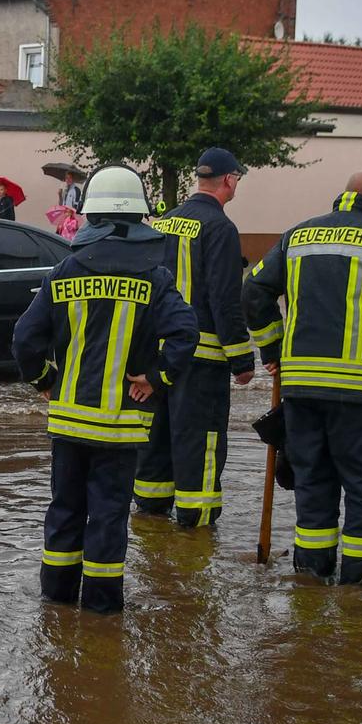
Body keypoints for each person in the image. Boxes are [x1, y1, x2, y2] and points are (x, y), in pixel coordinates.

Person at [241, 171, 362, 594]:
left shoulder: (296, 237)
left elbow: (254, 290)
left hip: (301, 395)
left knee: (313, 487)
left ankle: (309, 586)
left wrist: (272, 350)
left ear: (344, 195)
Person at [13, 164, 198, 613]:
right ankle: (101, 611)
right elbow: (185, 333)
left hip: (69, 423)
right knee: (109, 516)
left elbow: (24, 339)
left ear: (91, 217)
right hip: (120, 427)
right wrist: (156, 378)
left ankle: (56, 602)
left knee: (65, 510)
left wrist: (45, 381)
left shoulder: (62, 272)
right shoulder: (155, 278)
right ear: (139, 219)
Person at [133, 148, 256, 527]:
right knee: (199, 441)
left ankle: (151, 519)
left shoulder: (164, 223)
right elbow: (224, 299)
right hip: (201, 363)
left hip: (157, 359)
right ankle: (195, 530)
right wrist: (242, 359)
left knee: (156, 440)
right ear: (229, 180)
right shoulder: (220, 228)